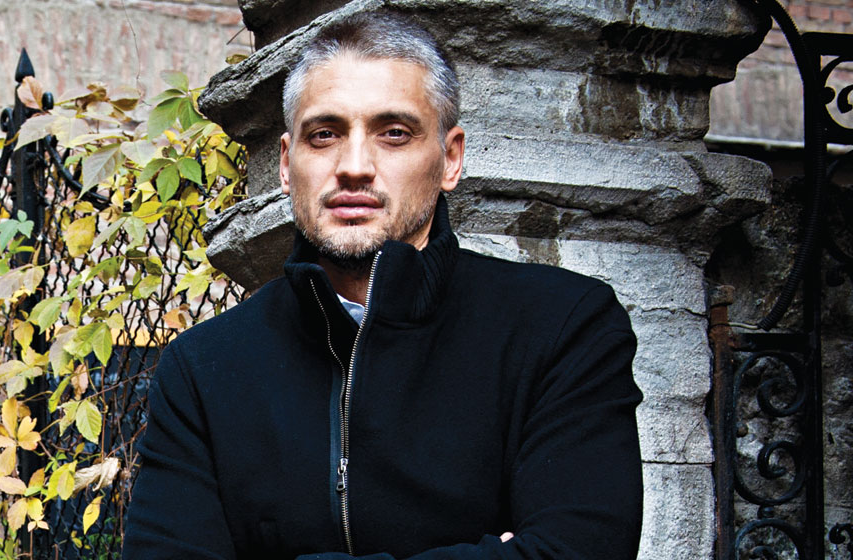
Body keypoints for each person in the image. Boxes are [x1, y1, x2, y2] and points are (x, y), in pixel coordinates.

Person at [123, 11, 642, 560]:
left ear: (450, 159)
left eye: (394, 134)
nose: (354, 166)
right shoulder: (204, 368)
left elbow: (580, 549)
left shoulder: (562, 327)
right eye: (324, 135)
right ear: (286, 165)